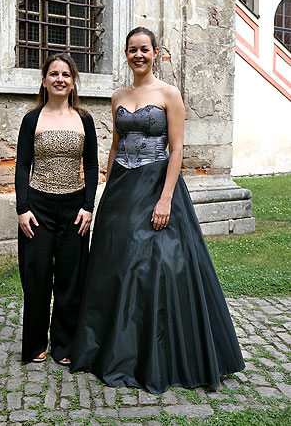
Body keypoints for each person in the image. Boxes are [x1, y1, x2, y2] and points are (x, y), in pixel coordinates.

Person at [69, 27, 245, 393]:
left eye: (144, 50)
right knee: (114, 260)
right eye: (132, 50)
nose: (138, 55)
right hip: (121, 187)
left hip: (156, 185)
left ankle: (155, 351)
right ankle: (112, 346)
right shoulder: (118, 95)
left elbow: (176, 149)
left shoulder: (169, 94)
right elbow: (116, 146)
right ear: (126, 54)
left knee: (156, 261)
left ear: (156, 53)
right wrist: (107, 186)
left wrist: (165, 199)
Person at [15, 53, 98, 365]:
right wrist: (22, 208)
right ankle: (35, 344)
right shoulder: (31, 119)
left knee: (70, 279)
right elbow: (22, 166)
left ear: (73, 81)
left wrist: (88, 207)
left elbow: (91, 166)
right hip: (38, 207)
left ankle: (63, 345)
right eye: (54, 74)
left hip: (74, 208)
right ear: (44, 79)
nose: (60, 79)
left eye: (66, 74)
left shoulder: (85, 119)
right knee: (35, 277)